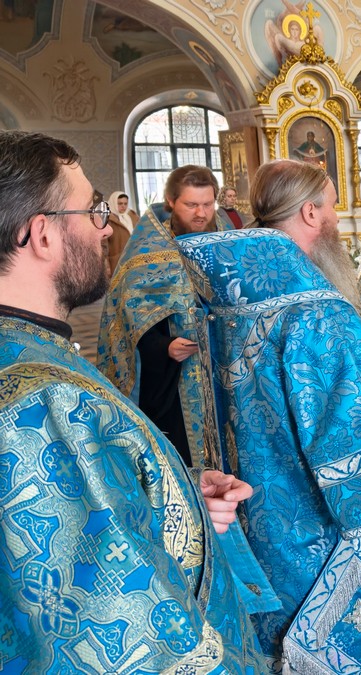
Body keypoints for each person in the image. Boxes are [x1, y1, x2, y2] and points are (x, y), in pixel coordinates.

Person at [177, 159, 361, 672]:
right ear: (311, 213)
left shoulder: (227, 306)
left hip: (259, 518)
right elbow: (352, 427)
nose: (336, 218)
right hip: (328, 525)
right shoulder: (317, 312)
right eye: (332, 207)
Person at [0, 130, 266, 673]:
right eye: (93, 210)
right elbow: (126, 632)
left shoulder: (27, 351)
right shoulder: (43, 396)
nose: (106, 228)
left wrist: (178, 494)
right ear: (41, 234)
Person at [99, 165, 231, 468]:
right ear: (171, 201)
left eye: (208, 204)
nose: (201, 213)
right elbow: (128, 319)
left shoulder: (225, 238)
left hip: (224, 371)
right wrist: (164, 347)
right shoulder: (145, 250)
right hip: (174, 382)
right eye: (191, 204)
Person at [104, 190, 133, 275]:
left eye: (125, 203)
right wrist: (106, 266)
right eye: (120, 203)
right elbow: (104, 245)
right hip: (116, 262)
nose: (123, 206)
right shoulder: (108, 220)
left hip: (133, 258)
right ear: (113, 203)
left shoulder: (132, 217)